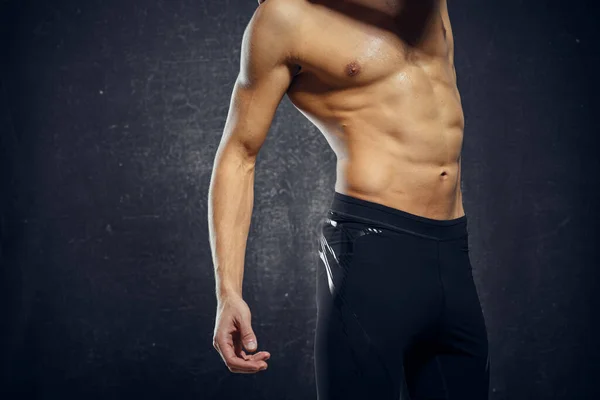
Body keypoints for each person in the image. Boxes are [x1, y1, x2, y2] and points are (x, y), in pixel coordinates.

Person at [209, 0, 490, 398]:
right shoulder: (285, 18)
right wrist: (228, 292)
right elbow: (239, 154)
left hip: (453, 254)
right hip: (372, 255)